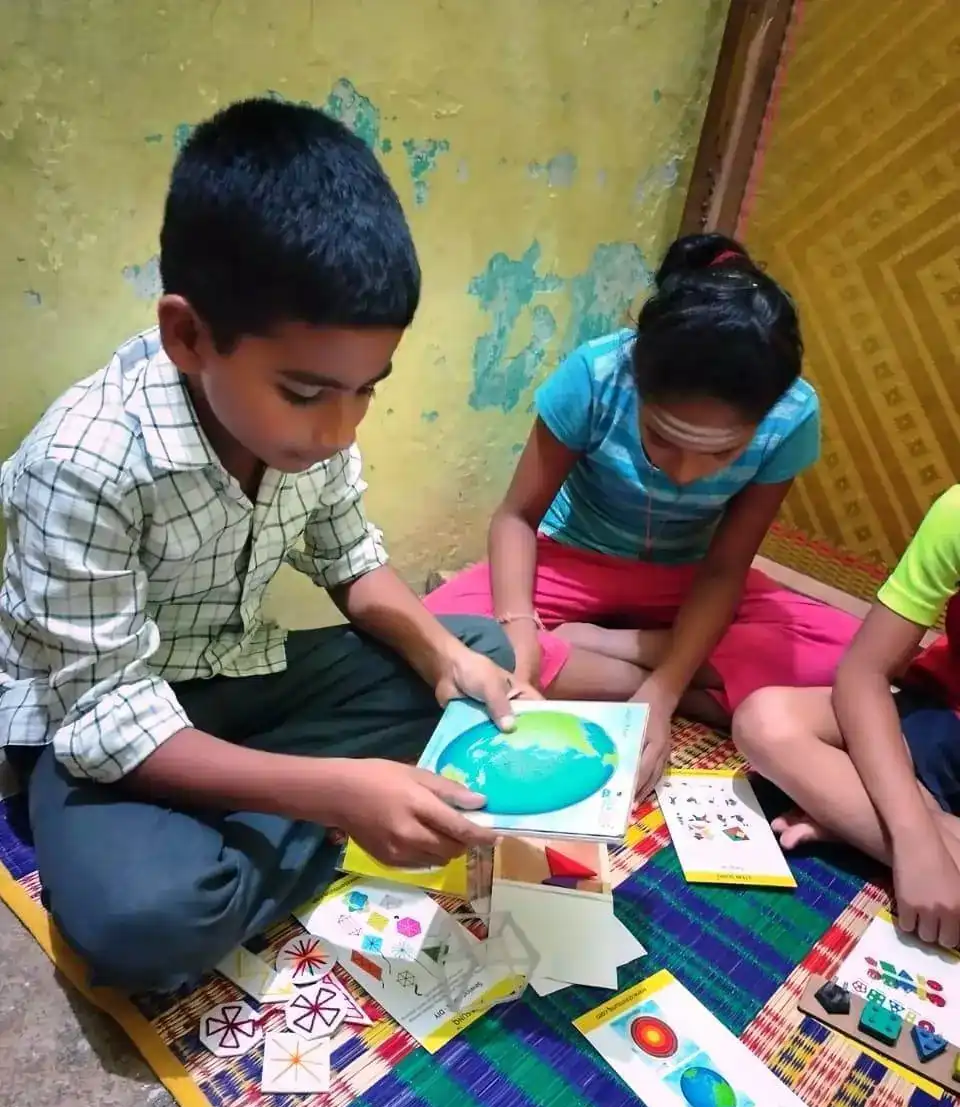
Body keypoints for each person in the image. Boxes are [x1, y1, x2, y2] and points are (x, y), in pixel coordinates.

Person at [0, 98, 518, 992]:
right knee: (147, 927)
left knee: (478, 654)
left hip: (238, 675)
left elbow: (351, 557)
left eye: (368, 392)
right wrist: (337, 796)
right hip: (102, 723)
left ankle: (281, 801)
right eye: (308, 391)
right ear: (188, 334)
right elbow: (106, 719)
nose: (341, 427)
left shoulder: (312, 430)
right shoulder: (86, 460)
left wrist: (436, 651)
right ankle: (324, 805)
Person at [426, 233, 860, 795]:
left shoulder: (793, 415)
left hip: (691, 576)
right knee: (436, 633)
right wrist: (522, 630)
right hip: (573, 559)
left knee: (849, 656)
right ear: (637, 380)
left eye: (721, 453)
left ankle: (614, 653)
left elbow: (726, 567)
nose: (684, 473)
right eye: (662, 438)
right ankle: (686, 679)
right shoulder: (596, 374)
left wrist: (665, 689)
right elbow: (516, 518)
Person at [734, 486, 960, 950]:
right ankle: (911, 831)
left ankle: (855, 814)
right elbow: (863, 672)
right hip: (943, 718)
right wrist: (914, 836)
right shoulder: (957, 512)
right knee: (765, 719)